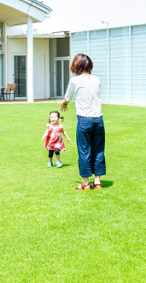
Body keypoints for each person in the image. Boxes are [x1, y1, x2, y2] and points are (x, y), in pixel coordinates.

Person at [59, 53, 106, 190]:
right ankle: (97, 181)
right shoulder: (96, 79)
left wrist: (65, 103)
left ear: (76, 66)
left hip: (84, 120)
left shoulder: (75, 80)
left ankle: (85, 183)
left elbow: (68, 96)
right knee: (98, 150)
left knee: (84, 151)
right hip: (98, 119)